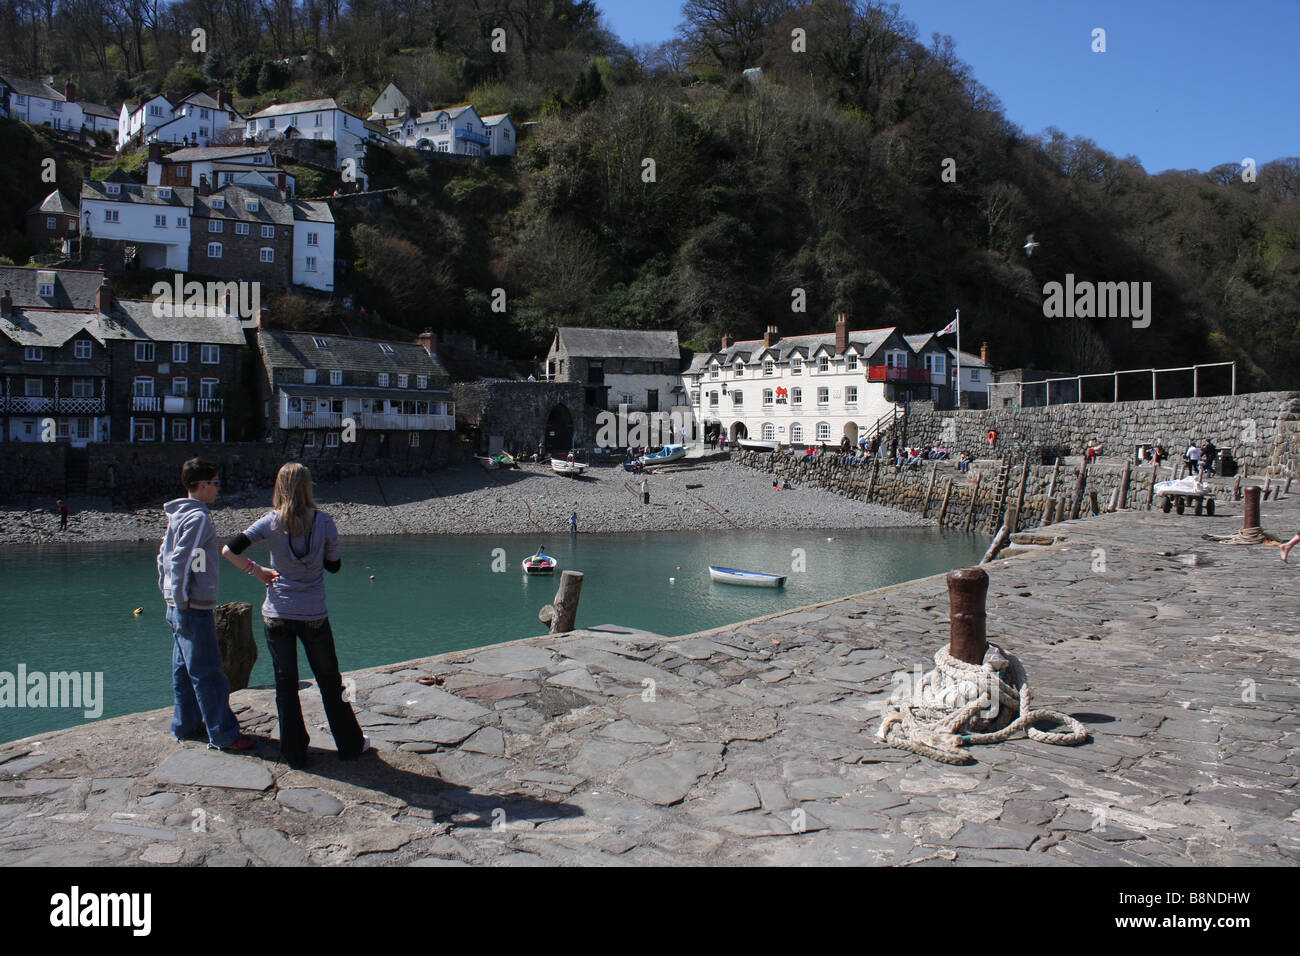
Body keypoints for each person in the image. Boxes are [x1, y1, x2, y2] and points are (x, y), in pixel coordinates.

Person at [222, 463, 367, 769]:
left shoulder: (269, 522)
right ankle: (350, 745)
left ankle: (294, 752)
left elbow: (229, 549)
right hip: (313, 613)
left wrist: (256, 570)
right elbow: (334, 566)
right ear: (307, 486)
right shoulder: (325, 521)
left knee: (285, 683)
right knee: (330, 681)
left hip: (277, 614)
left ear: (280, 487)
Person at [158, 458, 256, 752]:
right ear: (203, 485)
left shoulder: (177, 514)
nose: (217, 489)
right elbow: (181, 560)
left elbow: (164, 556)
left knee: (184, 670)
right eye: (215, 483)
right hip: (193, 607)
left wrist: (167, 594)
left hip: (176, 607)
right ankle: (224, 734)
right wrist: (182, 599)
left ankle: (185, 725)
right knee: (209, 672)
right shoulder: (198, 518)